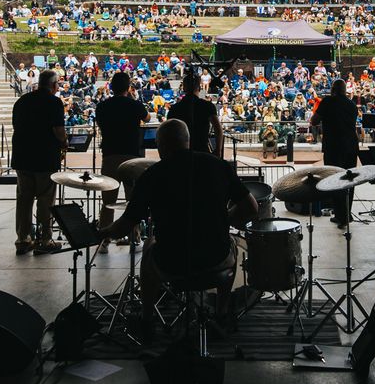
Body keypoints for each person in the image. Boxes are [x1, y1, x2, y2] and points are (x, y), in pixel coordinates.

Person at [99, 120, 257, 326]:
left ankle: (147, 319)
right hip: (215, 259)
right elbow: (251, 208)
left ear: (160, 145)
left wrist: (101, 232)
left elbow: (123, 227)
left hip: (171, 262)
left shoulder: (151, 175)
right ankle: (221, 312)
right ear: (188, 141)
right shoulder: (218, 165)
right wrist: (224, 220)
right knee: (231, 244)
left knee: (148, 247)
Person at [13, 68, 67, 254]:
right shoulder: (54, 102)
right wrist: (64, 143)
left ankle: (23, 240)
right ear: (54, 85)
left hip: (22, 157)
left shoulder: (22, 101)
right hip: (45, 158)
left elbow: (16, 126)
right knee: (45, 200)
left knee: (24, 200)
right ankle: (45, 240)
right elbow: (59, 131)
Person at [95, 71, 150, 243]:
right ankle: (134, 237)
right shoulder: (135, 105)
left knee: (108, 202)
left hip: (110, 155)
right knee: (132, 201)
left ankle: (104, 239)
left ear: (112, 87)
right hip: (131, 157)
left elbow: (100, 123)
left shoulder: (102, 106)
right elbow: (147, 118)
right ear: (128, 87)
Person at [309, 78, 360, 227]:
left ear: (333, 90)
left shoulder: (328, 101)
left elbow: (314, 121)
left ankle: (340, 216)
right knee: (349, 180)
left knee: (335, 179)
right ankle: (347, 214)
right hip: (351, 146)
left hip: (334, 146)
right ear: (345, 90)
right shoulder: (352, 104)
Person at [168, 71, 224, 156]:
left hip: (181, 154)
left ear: (184, 88)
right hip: (202, 151)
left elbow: (169, 131)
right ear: (199, 88)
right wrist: (218, 150)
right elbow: (218, 128)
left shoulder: (174, 108)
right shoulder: (208, 106)